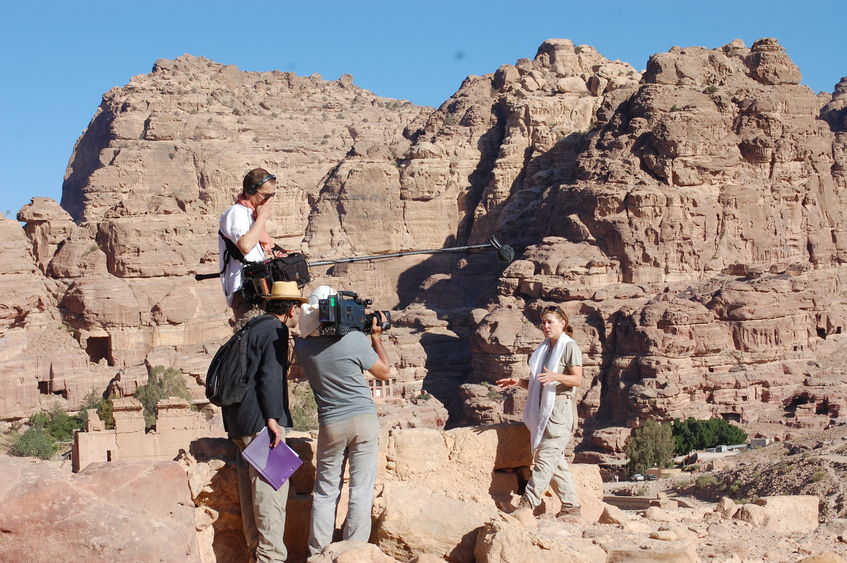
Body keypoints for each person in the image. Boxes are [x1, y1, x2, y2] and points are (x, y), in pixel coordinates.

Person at [294, 286, 391, 556]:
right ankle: (355, 552)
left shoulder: (303, 347)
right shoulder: (354, 341)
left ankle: (318, 553)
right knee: (361, 490)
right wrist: (375, 338)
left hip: (331, 424)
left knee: (325, 492)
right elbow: (384, 372)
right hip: (363, 420)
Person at [221, 280, 306, 562]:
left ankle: (255, 553)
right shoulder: (275, 329)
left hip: (238, 421)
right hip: (259, 422)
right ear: (291, 309)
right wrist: (273, 418)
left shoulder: (252, 326)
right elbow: (270, 375)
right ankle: (270, 558)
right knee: (271, 493)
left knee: (250, 491)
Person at [496, 305, 584, 520]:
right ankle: (571, 508)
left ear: (562, 323)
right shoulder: (545, 349)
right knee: (555, 463)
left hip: (560, 413)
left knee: (545, 460)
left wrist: (557, 376)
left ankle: (526, 505)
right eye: (543, 322)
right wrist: (519, 382)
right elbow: (541, 384)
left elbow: (577, 379)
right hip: (544, 411)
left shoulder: (569, 347)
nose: (545, 326)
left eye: (550, 322)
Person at [219, 168, 280, 327]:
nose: (268, 201)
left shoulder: (251, 214)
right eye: (266, 196)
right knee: (252, 341)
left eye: (271, 196)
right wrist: (262, 218)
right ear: (250, 191)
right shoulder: (236, 213)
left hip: (259, 288)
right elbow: (245, 246)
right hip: (244, 292)